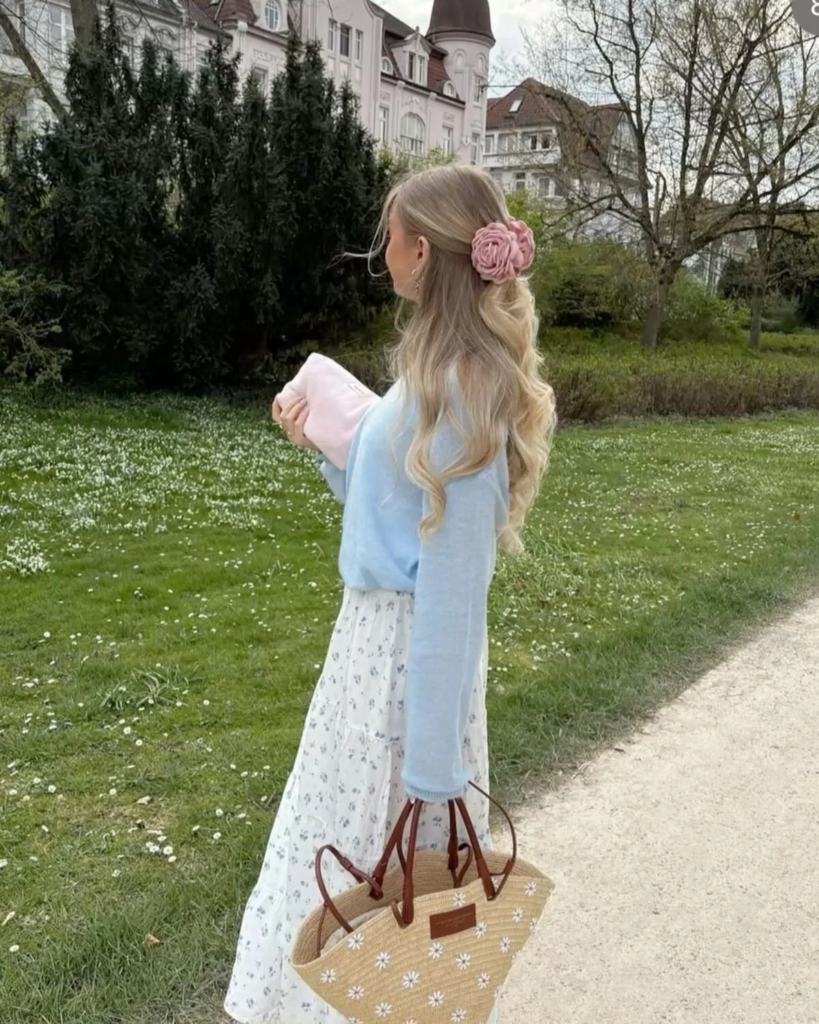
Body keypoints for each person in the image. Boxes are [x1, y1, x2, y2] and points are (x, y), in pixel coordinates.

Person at [224, 163, 556, 1024]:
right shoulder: (429, 371)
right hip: (368, 652)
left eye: (392, 236)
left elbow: (451, 595)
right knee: (341, 851)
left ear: (421, 251)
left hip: (408, 673)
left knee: (394, 879)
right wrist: (325, 451)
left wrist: (434, 776)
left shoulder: (464, 393)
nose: (385, 252)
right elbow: (394, 515)